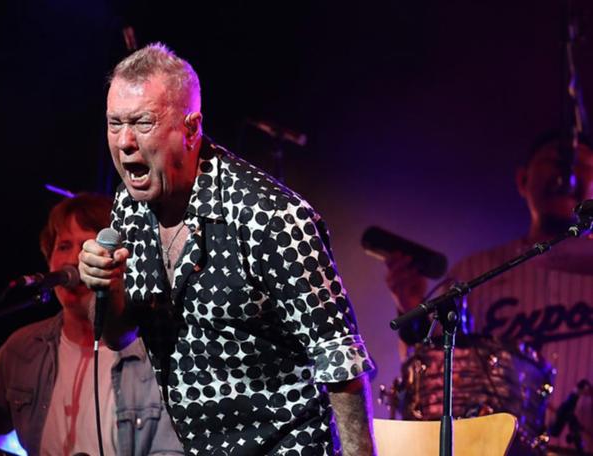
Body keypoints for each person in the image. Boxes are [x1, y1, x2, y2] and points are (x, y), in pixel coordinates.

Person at [79, 43, 377, 456]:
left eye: (142, 123)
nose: (125, 141)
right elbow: (118, 333)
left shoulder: (271, 217)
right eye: (115, 124)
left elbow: (341, 362)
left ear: (190, 127)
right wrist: (106, 286)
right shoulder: (129, 207)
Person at [385, 132, 593, 455]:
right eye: (556, 162)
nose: (567, 176)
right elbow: (435, 378)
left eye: (581, 165)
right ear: (523, 179)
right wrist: (412, 307)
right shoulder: (474, 272)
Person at [0, 193, 184, 456]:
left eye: (86, 245)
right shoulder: (23, 349)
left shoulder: (155, 348)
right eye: (64, 246)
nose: (72, 260)